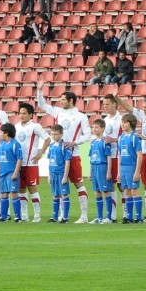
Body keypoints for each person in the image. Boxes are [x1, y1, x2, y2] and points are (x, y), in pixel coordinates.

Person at [37, 86, 92, 223]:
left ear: (71, 100)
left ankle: (84, 216)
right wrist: (39, 90)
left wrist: (74, 142)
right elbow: (42, 104)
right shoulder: (58, 112)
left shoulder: (81, 117)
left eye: (63, 99)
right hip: (58, 157)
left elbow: (87, 135)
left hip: (73, 155)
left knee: (78, 184)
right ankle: (62, 216)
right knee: (59, 188)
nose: (60, 102)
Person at [14, 102, 50, 223]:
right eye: (20, 113)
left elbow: (48, 139)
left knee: (32, 188)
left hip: (30, 163)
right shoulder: (16, 127)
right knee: (21, 189)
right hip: (19, 163)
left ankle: (37, 215)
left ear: (30, 115)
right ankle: (24, 215)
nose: (21, 115)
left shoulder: (35, 126)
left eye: (24, 113)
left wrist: (40, 153)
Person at [0, 123, 23, 222]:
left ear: (6, 133)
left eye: (1, 132)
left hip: (11, 173)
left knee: (13, 193)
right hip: (2, 173)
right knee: (3, 194)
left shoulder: (15, 144)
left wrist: (15, 173)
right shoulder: (1, 145)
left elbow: (19, 159)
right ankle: (4, 217)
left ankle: (18, 217)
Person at [117, 114, 143, 223]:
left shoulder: (134, 138)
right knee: (126, 191)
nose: (122, 124)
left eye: (125, 122)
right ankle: (129, 217)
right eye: (122, 122)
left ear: (131, 124)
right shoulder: (120, 138)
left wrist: (137, 172)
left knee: (134, 191)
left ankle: (139, 217)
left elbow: (140, 155)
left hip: (132, 167)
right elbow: (119, 155)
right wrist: (118, 172)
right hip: (123, 168)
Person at [88, 119, 114, 223]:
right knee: (97, 192)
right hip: (94, 168)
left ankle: (109, 218)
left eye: (96, 127)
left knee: (106, 191)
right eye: (93, 127)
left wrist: (108, 172)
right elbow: (91, 158)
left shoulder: (105, 142)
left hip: (102, 167)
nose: (94, 129)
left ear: (102, 129)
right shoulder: (93, 142)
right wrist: (90, 172)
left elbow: (109, 157)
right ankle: (99, 217)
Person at [46, 125, 72, 223]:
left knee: (64, 194)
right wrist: (49, 175)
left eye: (56, 134)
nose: (53, 136)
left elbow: (67, 162)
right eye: (52, 134)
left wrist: (65, 176)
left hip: (61, 174)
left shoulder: (64, 146)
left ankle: (65, 218)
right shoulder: (51, 146)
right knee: (55, 195)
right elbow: (50, 162)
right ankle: (55, 217)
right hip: (53, 174)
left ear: (61, 134)